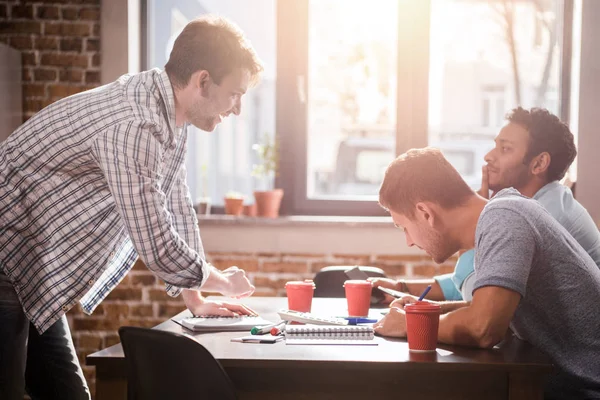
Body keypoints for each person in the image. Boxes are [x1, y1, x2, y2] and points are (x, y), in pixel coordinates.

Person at [0, 16, 262, 400]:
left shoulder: (169, 113)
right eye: (235, 93)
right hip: (6, 256)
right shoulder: (135, 125)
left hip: (30, 266)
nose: (237, 109)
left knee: (69, 394)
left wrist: (198, 299)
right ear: (202, 81)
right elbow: (155, 241)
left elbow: (176, 205)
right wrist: (221, 281)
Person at [373, 148, 600, 399]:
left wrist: (409, 325)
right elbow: (490, 310)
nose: (408, 241)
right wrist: (428, 311)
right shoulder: (500, 216)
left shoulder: (504, 217)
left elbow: (483, 328)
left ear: (426, 213)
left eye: (404, 227)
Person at [371, 107, 600, 302]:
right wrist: (401, 288)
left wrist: (473, 226)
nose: (489, 156)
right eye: (495, 146)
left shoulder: (546, 216)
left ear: (539, 163)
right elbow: (474, 281)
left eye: (505, 149)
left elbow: (480, 296)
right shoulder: (524, 206)